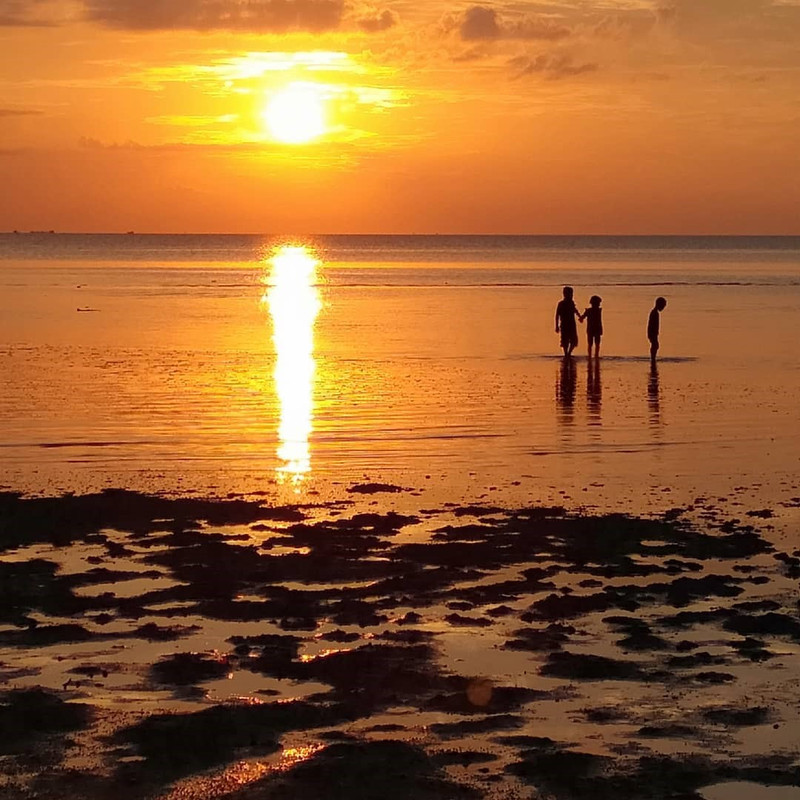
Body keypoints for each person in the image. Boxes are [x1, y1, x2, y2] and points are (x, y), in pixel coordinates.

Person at [555, 286, 581, 357]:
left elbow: (575, 310)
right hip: (564, 324)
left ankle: (568, 353)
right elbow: (557, 315)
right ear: (564, 294)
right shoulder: (561, 303)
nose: (571, 296)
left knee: (573, 340)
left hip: (572, 324)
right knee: (565, 340)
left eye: (572, 294)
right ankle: (566, 353)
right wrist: (556, 326)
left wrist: (579, 317)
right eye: (570, 294)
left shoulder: (571, 303)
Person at [647, 296, 667, 363]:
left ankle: (653, 358)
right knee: (655, 345)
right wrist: (653, 334)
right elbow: (652, 324)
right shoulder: (654, 313)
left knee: (655, 345)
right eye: (663, 306)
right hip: (652, 333)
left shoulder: (655, 313)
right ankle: (653, 358)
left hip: (653, 333)